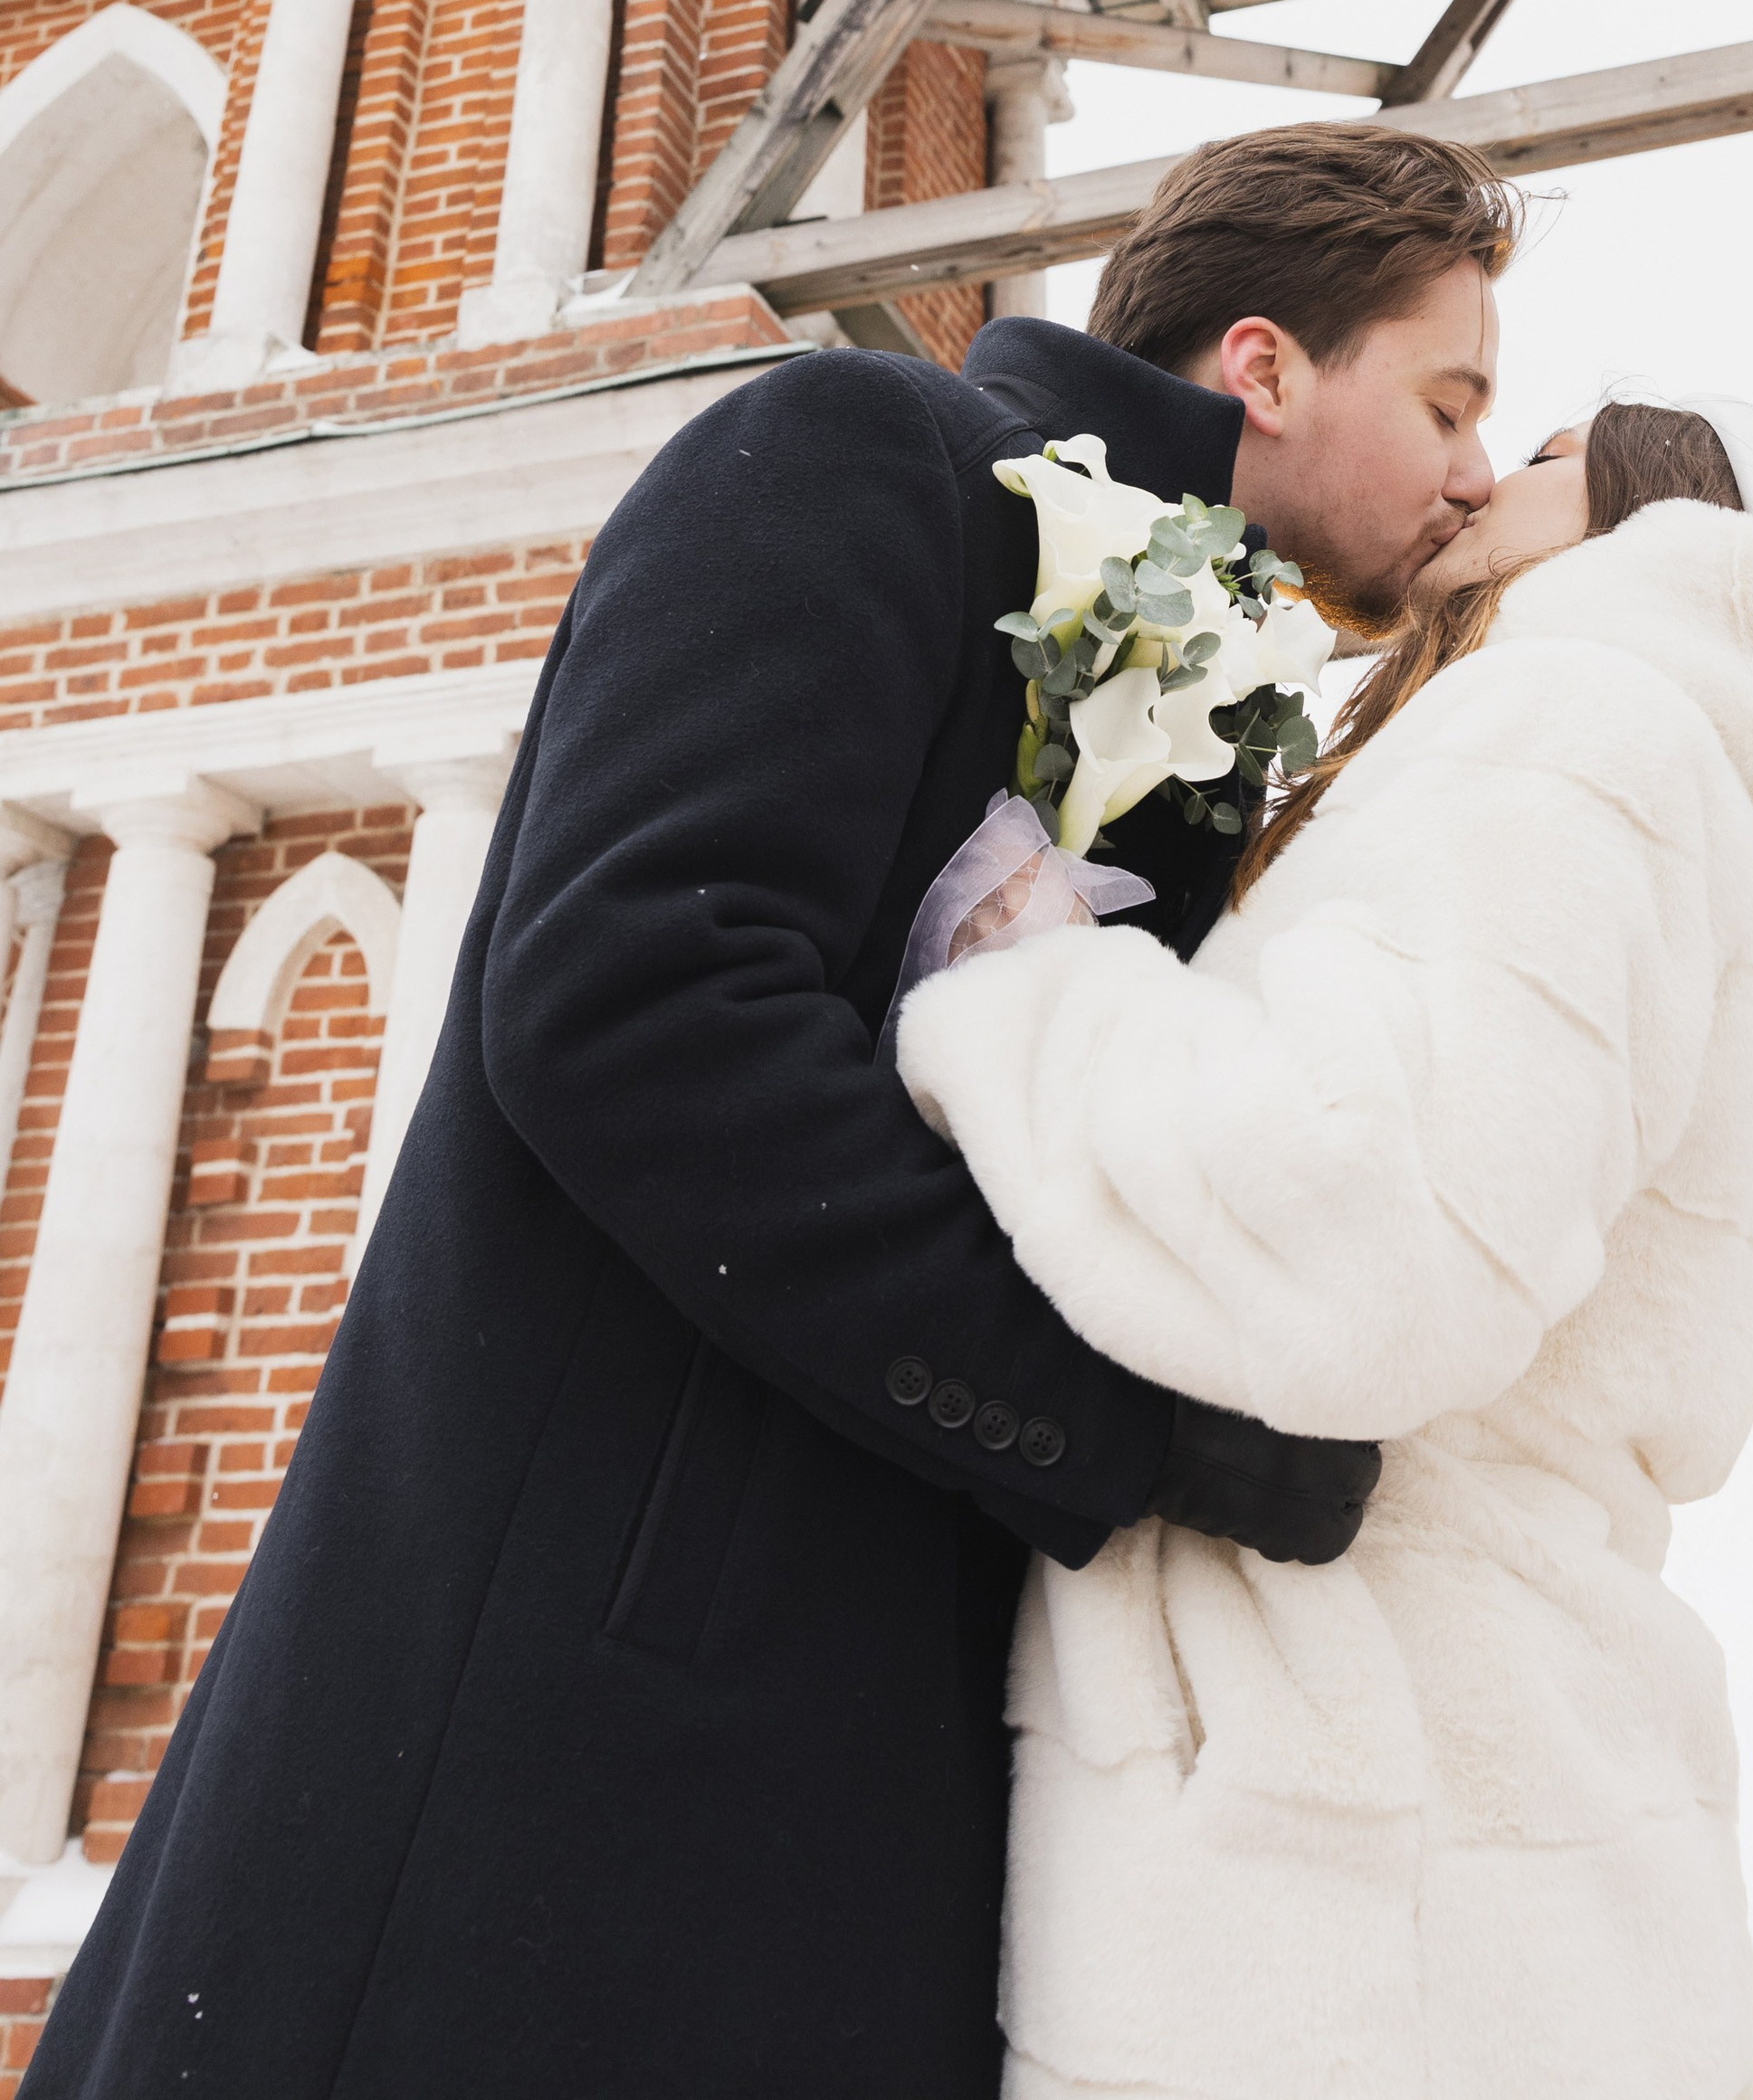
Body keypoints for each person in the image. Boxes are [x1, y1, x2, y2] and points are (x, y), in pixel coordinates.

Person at [29, 127, 1515, 2100]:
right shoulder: (855, 454)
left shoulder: (1213, 704)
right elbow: (635, 1001)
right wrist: (1141, 1424)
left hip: (885, 1810)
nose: (1475, 470)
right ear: (1263, 366)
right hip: (554, 1769)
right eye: (1448, 401)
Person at [898, 398, 1753, 2100]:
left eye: (1538, 446)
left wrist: (1025, 976)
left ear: (1642, 515)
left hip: (1354, 1851)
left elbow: (1372, 1232)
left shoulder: (1572, 728)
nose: (1481, 476)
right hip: (1481, 1809)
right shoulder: (1621, 757)